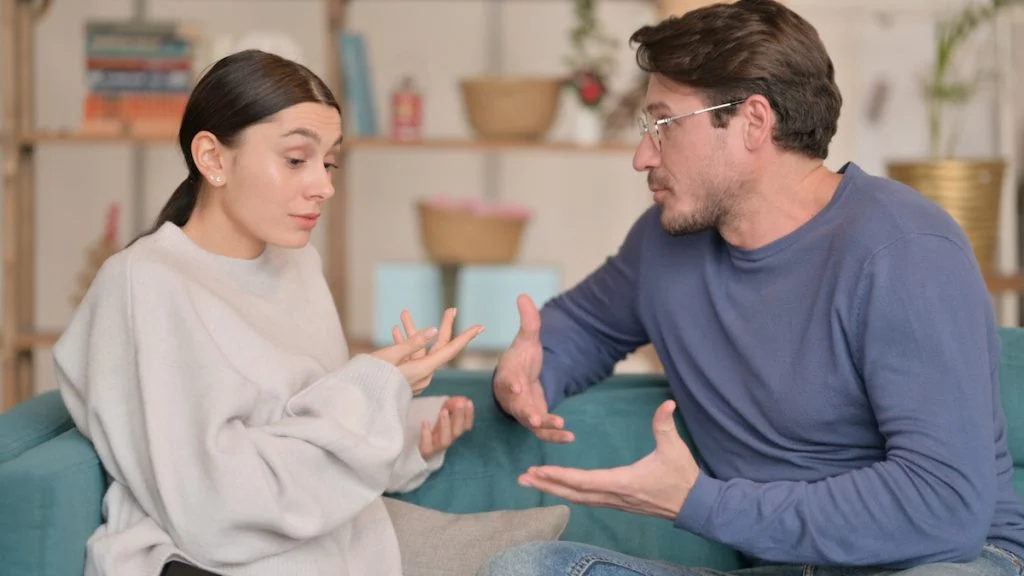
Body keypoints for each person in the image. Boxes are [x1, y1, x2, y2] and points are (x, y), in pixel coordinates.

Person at [484, 1, 1024, 575]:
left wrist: (702, 503)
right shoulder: (664, 245)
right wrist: (529, 374)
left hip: (949, 560)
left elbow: (944, 510)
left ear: (753, 122)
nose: (643, 156)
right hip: (787, 566)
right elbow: (582, 328)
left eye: (663, 125)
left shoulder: (905, 249)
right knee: (528, 568)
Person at [54, 49, 483, 576]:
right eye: (297, 160)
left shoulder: (298, 265)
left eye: (328, 162)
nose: (323, 186)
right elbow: (212, 504)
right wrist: (368, 389)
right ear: (212, 158)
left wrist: (402, 424)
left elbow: (306, 435)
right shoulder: (144, 283)